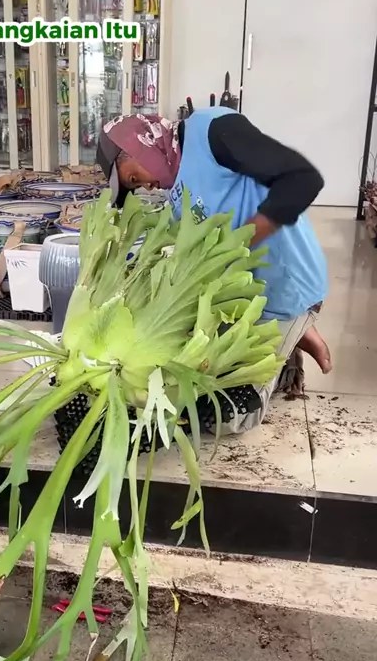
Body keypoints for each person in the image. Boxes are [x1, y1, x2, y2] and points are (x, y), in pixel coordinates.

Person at [96, 107, 331, 433]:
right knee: (194, 380)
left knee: (229, 418)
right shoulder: (175, 189)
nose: (146, 188)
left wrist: (241, 241)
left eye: (133, 179)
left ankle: (292, 334)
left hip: (285, 289)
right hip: (239, 297)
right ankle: (290, 338)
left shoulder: (210, 131)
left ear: (140, 145)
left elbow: (303, 179)